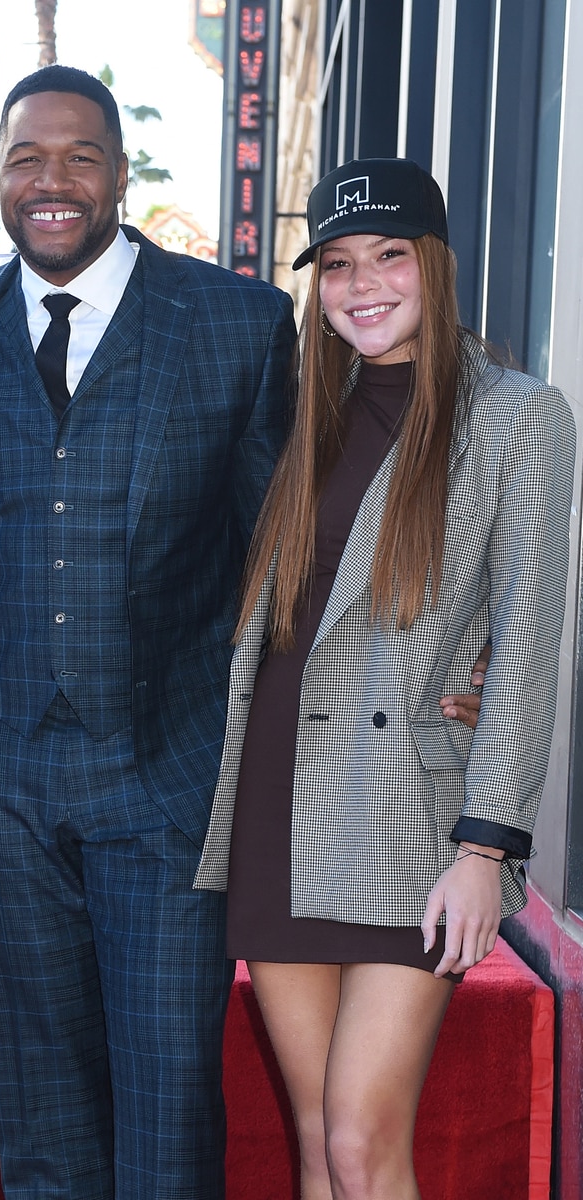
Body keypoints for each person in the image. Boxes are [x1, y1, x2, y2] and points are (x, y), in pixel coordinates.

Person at [0, 65, 296, 1198]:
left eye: (80, 156)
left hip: (169, 780)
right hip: (9, 783)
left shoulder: (237, 322)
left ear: (121, 173)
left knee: (171, 1105)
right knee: (40, 1111)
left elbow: (284, 562)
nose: (52, 181)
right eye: (27, 158)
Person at [194, 158, 575, 1199]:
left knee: (365, 1146)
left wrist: (487, 847)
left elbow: (531, 638)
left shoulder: (518, 417)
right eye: (339, 264)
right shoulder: (307, 408)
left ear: (436, 265)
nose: (363, 284)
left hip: (411, 819)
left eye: (390, 256)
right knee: (319, 1145)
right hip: (278, 804)